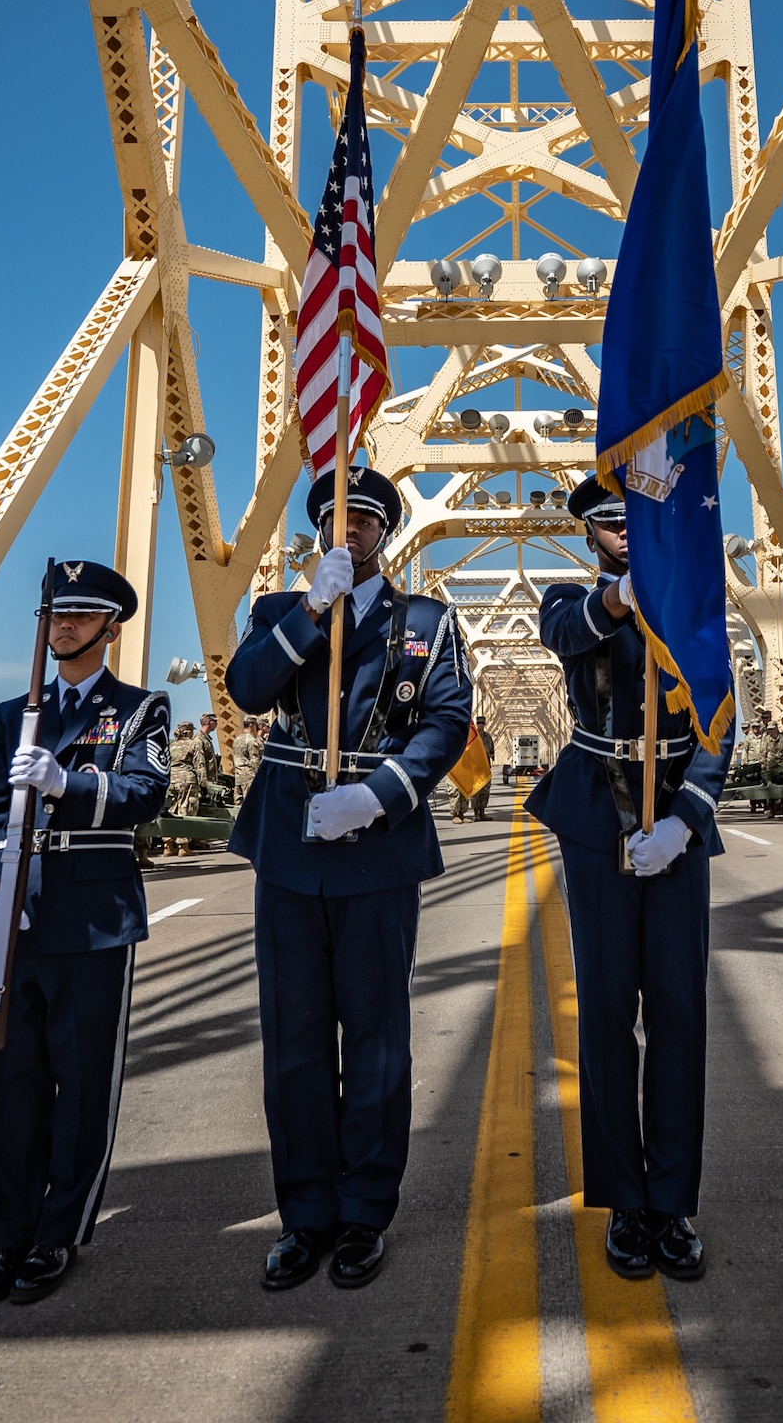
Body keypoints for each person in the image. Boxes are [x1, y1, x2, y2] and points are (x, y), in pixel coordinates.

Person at [225, 465, 471, 1292]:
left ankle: (364, 1211)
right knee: (294, 1043)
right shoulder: (274, 613)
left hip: (374, 847)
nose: (349, 530)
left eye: (364, 519)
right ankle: (305, 1217)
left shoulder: (426, 622)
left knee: (374, 1042)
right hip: (291, 846)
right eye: (335, 517)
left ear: (385, 532)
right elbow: (248, 689)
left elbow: (446, 721)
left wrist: (376, 795)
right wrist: (309, 611)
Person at [528, 476, 733, 1284]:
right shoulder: (572, 596)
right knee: (607, 1013)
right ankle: (622, 1200)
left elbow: (720, 712)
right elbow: (566, 633)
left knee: (679, 1013)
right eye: (614, 525)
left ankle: (673, 1201)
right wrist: (623, 594)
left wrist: (688, 817)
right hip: (596, 815)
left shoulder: (695, 601)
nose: (626, 533)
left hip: (675, 810)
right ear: (593, 535)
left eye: (639, 523)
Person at [0, 560, 169, 1308]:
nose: (65, 626)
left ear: (110, 628)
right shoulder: (12, 712)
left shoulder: (141, 709)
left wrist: (67, 784)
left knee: (81, 1088)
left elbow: (145, 793)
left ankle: (57, 1234)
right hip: (17, 918)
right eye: (57, 615)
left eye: (82, 617)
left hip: (93, 916)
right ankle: (3, 1242)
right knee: (9, 1086)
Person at [164, 722, 200, 856]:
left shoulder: (171, 745)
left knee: (170, 811)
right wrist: (203, 784)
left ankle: (167, 845)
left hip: (170, 780)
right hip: (186, 780)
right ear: (189, 732)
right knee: (185, 810)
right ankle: (183, 847)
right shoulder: (193, 744)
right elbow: (199, 765)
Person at [232, 714, 266, 804]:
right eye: (255, 724)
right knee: (252, 804)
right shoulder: (251, 740)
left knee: (239, 805)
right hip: (249, 778)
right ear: (251, 724)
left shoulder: (237, 740)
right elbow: (254, 761)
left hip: (238, 777)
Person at [470, 716, 495, 820]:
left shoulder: (488, 737)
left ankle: (482, 812)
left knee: (485, 791)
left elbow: (492, 750)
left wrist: (491, 755)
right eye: (479, 723)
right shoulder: (472, 737)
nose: (480, 725)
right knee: (476, 791)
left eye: (482, 723)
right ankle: (476, 814)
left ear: (485, 724)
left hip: (485, 768)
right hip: (475, 768)